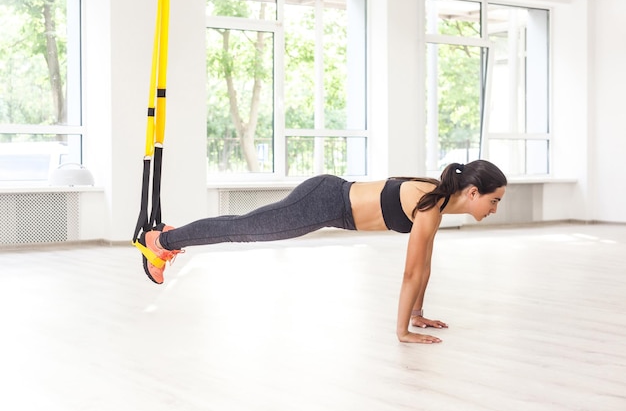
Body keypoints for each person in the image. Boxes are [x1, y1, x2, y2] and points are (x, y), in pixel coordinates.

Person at [138, 159, 507, 344]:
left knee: (244, 226)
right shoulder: (430, 206)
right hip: (324, 203)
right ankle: (162, 241)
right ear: (473, 192)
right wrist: (402, 331)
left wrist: (417, 314)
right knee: (243, 230)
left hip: (329, 198)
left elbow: (424, 267)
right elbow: (412, 272)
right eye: (494, 200)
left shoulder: (434, 203)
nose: (495, 209)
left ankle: (169, 237)